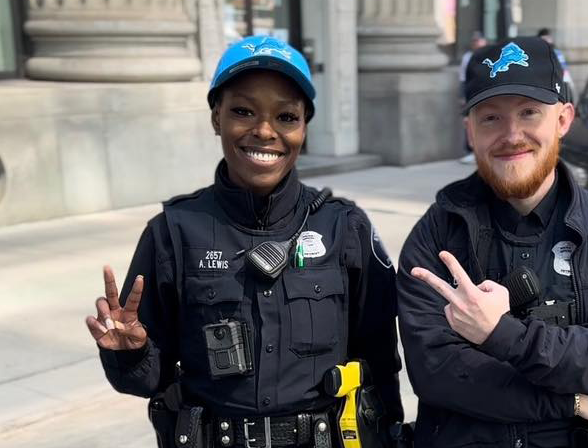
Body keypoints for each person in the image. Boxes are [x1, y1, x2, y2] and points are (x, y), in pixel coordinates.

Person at [85, 35, 403, 448]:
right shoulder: (172, 232)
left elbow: (380, 359)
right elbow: (148, 380)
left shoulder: (345, 227)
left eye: (286, 117)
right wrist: (129, 352)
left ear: (304, 125)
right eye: (242, 111)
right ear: (216, 118)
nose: (264, 131)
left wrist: (394, 436)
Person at [397, 36, 588, 448]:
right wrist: (575, 401)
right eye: (490, 118)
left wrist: (500, 334)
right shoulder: (436, 235)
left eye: (529, 112)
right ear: (469, 132)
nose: (512, 135)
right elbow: (437, 375)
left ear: (564, 119)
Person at [458, 31, 488, 164]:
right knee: (470, 120)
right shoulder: (467, 57)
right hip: (472, 91)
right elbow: (463, 78)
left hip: (486, 90)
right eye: (474, 41)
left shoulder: (489, 55)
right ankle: (471, 151)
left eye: (479, 40)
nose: (477, 43)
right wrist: (462, 96)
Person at [537, 28, 577, 102]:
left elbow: (563, 67)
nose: (547, 40)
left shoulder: (555, 50)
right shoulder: (548, 50)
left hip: (561, 80)